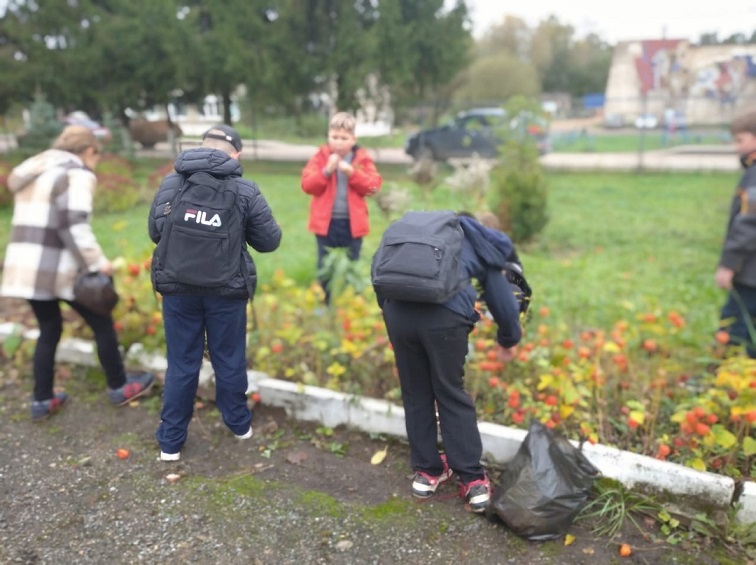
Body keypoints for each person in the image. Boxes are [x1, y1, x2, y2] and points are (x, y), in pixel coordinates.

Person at [1, 125, 154, 421]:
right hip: (57, 268)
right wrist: (97, 263)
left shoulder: (35, 171)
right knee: (102, 323)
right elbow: (74, 225)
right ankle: (119, 386)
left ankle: (42, 400)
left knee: (49, 328)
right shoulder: (77, 173)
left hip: (26, 268)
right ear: (89, 151)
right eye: (96, 155)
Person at [149, 124, 282, 461]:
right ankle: (239, 425)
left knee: (181, 363)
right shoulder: (244, 189)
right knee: (228, 358)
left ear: (202, 147)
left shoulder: (173, 182)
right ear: (235, 153)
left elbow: (155, 232)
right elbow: (269, 241)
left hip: (178, 290)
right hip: (227, 291)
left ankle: (171, 442)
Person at [375, 213, 522, 513]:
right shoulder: (480, 241)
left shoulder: (418, 231)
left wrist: (394, 325)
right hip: (443, 320)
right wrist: (508, 339)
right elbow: (502, 300)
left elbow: (378, 271)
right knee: (450, 391)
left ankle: (427, 473)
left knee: (416, 392)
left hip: (397, 311)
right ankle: (473, 481)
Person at [301, 111, 382, 302]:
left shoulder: (361, 159)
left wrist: (352, 173)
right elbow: (307, 185)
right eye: (334, 137)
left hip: (352, 224)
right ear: (328, 136)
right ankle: (326, 302)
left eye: (344, 138)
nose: (338, 142)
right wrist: (327, 171)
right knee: (325, 266)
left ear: (353, 139)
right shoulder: (321, 157)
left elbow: (373, 186)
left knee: (352, 264)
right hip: (326, 223)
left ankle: (350, 301)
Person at [715, 109, 756, 357]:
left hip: (750, 274)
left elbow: (749, 222)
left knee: (735, 325)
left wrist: (729, 265)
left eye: (739, 140)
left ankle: (728, 378)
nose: (735, 148)